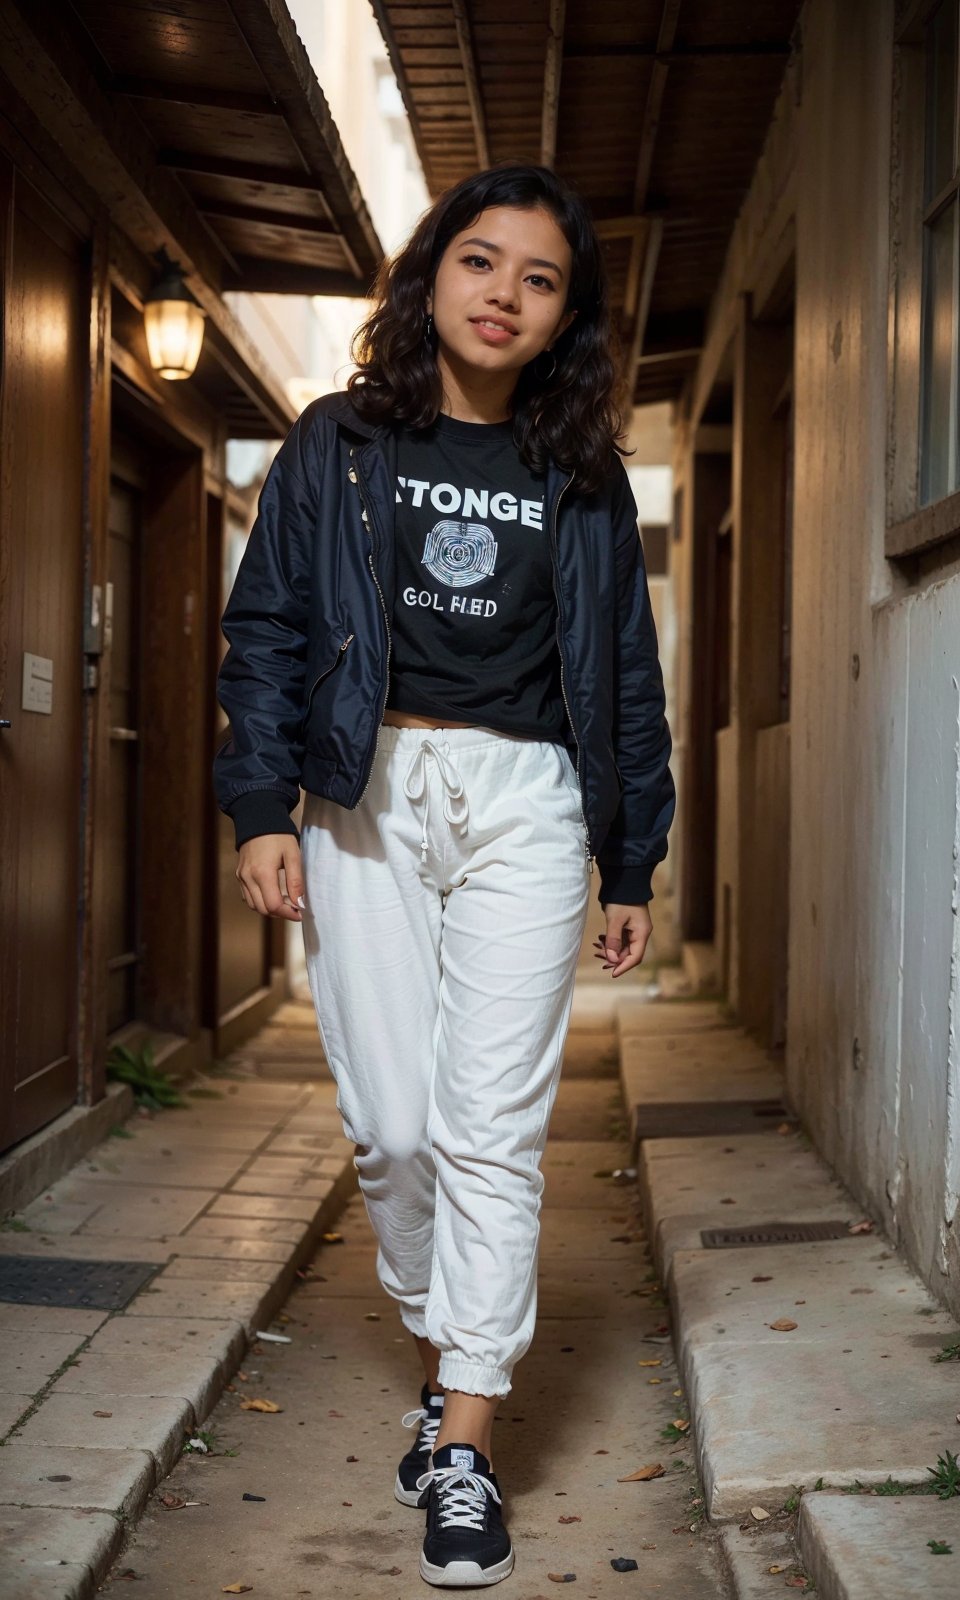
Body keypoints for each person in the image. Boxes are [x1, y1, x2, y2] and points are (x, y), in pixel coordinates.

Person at [213, 161, 675, 1589]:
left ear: (564, 318)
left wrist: (629, 855)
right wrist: (259, 808)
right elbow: (270, 632)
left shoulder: (582, 480)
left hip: (529, 799)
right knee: (398, 1127)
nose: (507, 297)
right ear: (434, 277)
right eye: (484, 264)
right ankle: (441, 1338)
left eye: (542, 281)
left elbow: (628, 679)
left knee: (491, 1127)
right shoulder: (338, 440)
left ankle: (464, 1439)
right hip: (366, 790)